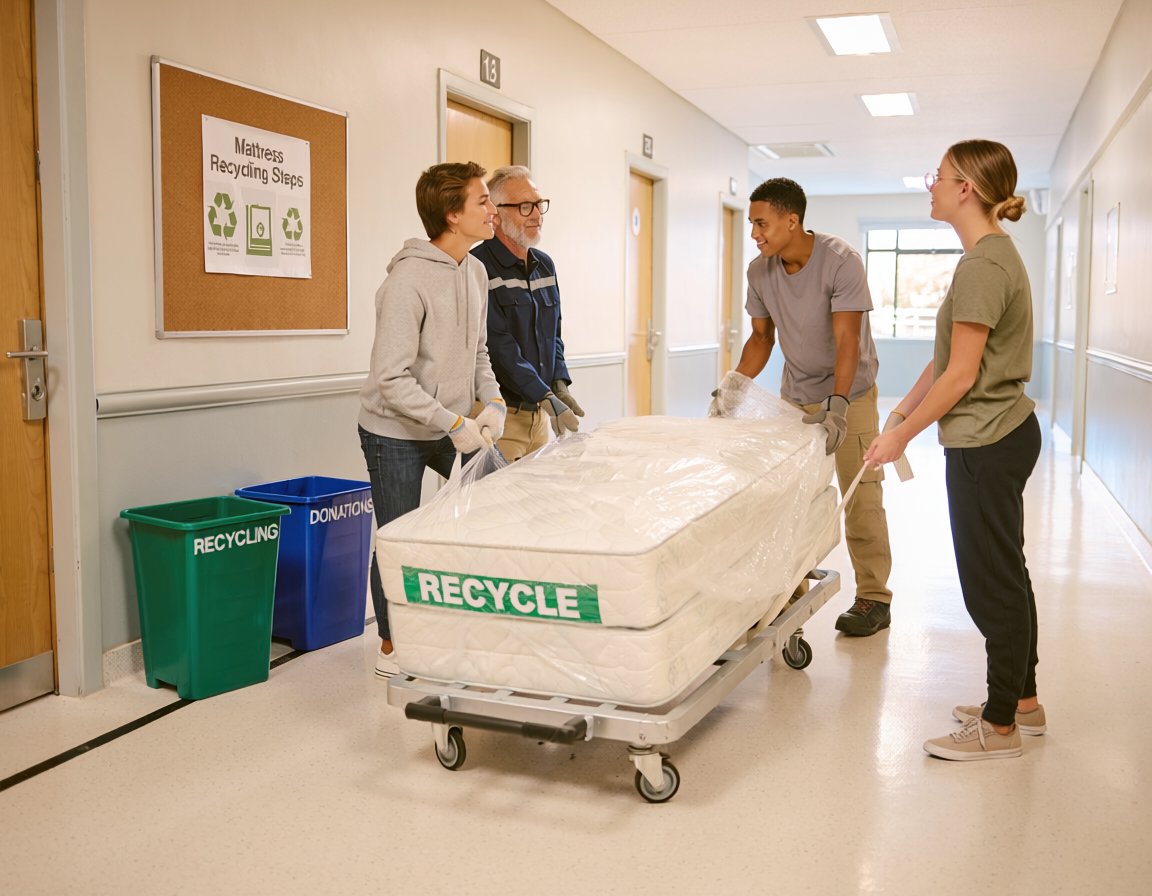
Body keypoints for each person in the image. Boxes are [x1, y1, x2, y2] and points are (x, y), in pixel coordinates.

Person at [866, 140, 1042, 761]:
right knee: (1007, 572)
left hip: (987, 439)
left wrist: (899, 436)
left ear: (966, 187)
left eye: (936, 177)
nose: (930, 186)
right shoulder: (986, 257)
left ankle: (998, 730)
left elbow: (962, 377)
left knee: (990, 584)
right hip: (1002, 431)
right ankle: (1022, 703)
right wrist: (902, 410)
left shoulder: (983, 265)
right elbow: (946, 360)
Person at [722, 177, 894, 636]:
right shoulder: (760, 272)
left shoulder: (841, 262)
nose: (754, 233)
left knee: (860, 492)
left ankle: (874, 598)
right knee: (789, 495)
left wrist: (838, 403)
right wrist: (734, 385)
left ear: (791, 220)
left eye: (761, 223)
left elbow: (847, 339)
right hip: (795, 394)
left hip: (850, 393)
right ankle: (788, 591)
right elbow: (761, 339)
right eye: (753, 224)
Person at [358, 161, 507, 678]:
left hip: (451, 423)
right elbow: (391, 380)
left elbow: (479, 352)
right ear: (452, 214)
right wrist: (452, 423)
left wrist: (494, 403)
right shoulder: (408, 282)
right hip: (393, 431)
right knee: (396, 535)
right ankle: (392, 647)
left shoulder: (476, 270)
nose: (494, 210)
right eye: (483, 201)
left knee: (499, 496)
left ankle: (476, 620)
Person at [470, 165, 581, 461]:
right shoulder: (477, 267)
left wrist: (559, 382)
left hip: (540, 418)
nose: (536, 214)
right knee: (496, 507)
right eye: (524, 206)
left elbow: (553, 334)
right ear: (496, 213)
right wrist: (543, 394)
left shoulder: (544, 265)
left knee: (538, 506)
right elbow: (497, 346)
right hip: (499, 419)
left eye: (539, 204)